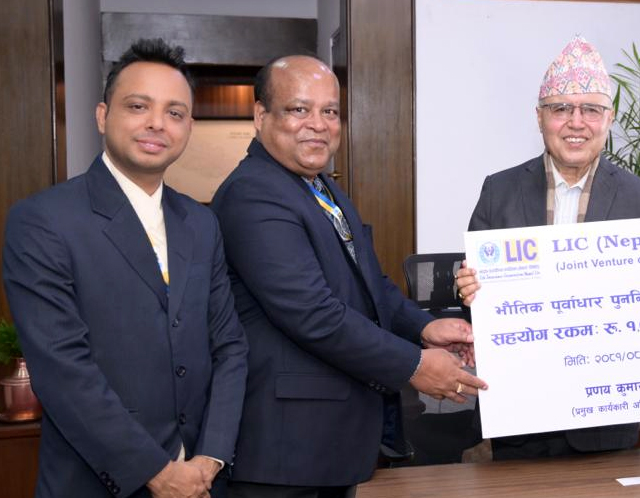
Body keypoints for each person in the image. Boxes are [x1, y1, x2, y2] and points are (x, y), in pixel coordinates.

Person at [209, 55, 485, 496]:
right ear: (261, 115)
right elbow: (314, 314)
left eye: (329, 111)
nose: (318, 125)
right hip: (286, 451)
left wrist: (425, 327)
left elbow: (371, 284)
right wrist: (413, 364)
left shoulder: (321, 186)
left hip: (328, 442)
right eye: (299, 109)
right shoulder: (254, 194)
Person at [2, 38, 248, 498]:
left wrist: (211, 457)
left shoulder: (201, 223)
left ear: (188, 127)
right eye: (138, 106)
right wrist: (159, 473)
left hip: (203, 481)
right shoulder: (43, 221)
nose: (157, 123)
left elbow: (229, 346)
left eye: (175, 112)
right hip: (97, 483)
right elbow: (64, 372)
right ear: (102, 116)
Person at [454, 36, 640, 460]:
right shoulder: (499, 191)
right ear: (539, 117)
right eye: (561, 109)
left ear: (609, 118)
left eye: (591, 109)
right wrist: (467, 288)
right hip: (519, 415)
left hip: (606, 420)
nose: (576, 122)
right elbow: (473, 301)